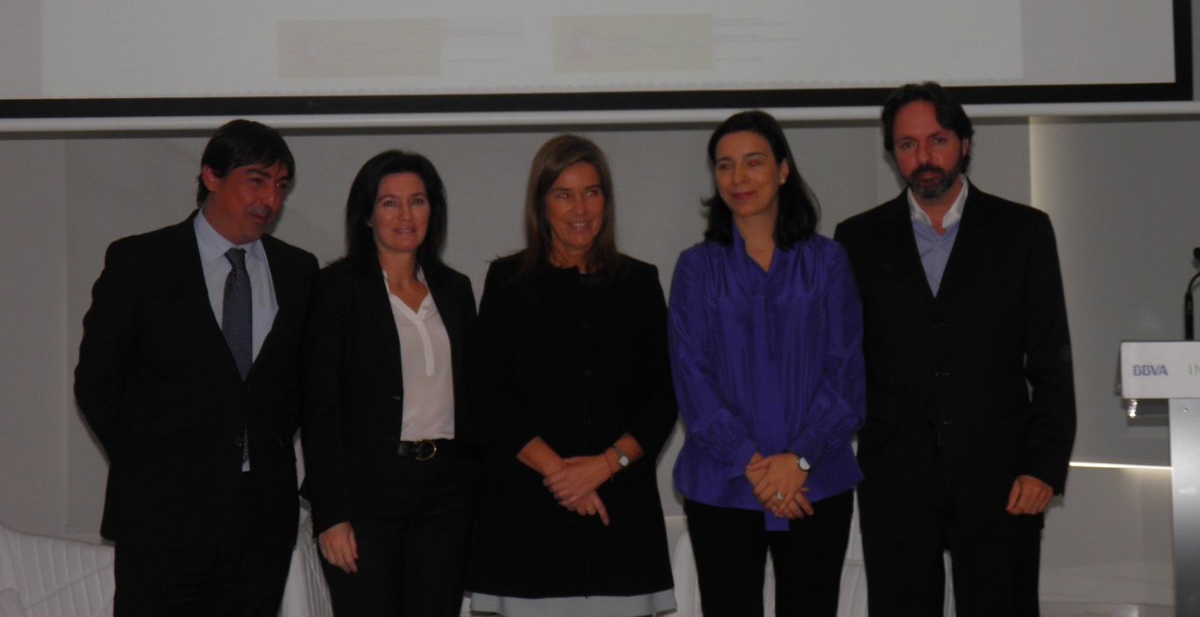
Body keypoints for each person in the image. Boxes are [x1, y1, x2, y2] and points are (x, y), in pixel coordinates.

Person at [833, 81, 1076, 616]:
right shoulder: (857, 239)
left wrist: (1043, 466)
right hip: (896, 479)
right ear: (892, 153)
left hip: (1002, 478)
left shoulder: (1023, 232)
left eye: (937, 140)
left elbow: (1051, 362)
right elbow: (845, 363)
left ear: (964, 143)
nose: (923, 157)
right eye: (907, 144)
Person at [74, 119, 320, 617]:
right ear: (211, 175)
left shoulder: (298, 271)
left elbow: (300, 386)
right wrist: (153, 464)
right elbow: (97, 382)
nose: (270, 200)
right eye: (256, 180)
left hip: (260, 522)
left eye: (280, 185)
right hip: (162, 516)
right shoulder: (141, 261)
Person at [468, 134, 677, 617]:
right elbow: (491, 398)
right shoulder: (507, 282)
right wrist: (561, 475)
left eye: (591, 192)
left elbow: (662, 397)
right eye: (563, 194)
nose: (580, 208)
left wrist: (604, 466)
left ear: (606, 200)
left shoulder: (640, 282)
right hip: (527, 520)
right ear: (542, 205)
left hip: (620, 519)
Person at [668, 110, 865, 617]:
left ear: (783, 170)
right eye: (725, 165)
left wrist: (798, 461)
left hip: (815, 481)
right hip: (724, 485)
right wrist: (756, 467)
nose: (739, 178)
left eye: (753, 162)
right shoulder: (696, 268)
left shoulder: (827, 261)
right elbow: (691, 377)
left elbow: (846, 371)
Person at [301, 150, 479, 616]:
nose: (405, 215)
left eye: (417, 201)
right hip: (366, 496)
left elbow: (474, 397)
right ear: (366, 215)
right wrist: (332, 516)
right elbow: (320, 408)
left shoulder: (456, 289)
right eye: (389, 203)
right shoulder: (337, 288)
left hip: (446, 495)